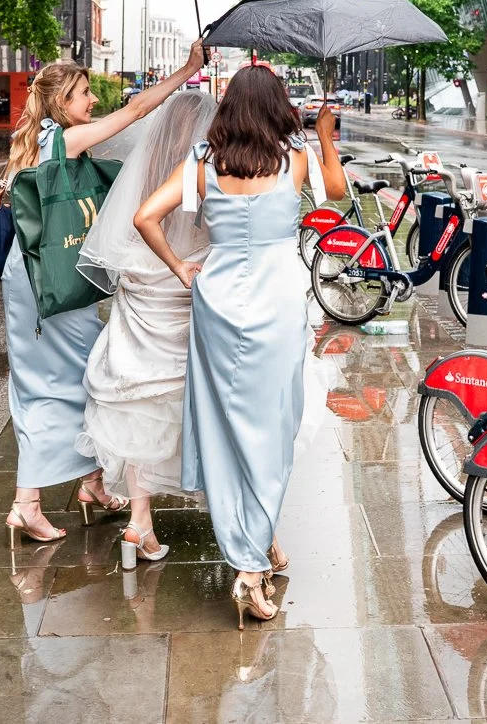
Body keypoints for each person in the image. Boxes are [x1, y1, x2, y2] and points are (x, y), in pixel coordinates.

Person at [134, 66, 345, 628]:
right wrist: (324, 134)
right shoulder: (294, 156)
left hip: (217, 300)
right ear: (280, 106)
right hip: (277, 301)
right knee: (273, 427)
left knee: (227, 426)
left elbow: (144, 216)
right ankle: (250, 570)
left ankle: (260, 535)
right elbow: (339, 193)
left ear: (228, 108)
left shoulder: (203, 161)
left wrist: (182, 267)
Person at [0, 40, 208, 547]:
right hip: (51, 279)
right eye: (85, 93)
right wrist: (188, 70)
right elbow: (138, 110)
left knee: (44, 381)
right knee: (75, 379)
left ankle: (91, 483)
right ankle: (27, 503)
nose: (93, 101)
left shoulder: (37, 139)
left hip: (26, 274)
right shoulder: (64, 141)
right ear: (61, 102)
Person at [74, 91, 217, 567]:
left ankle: (140, 522)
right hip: (184, 283)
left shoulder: (147, 164)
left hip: (141, 282)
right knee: (182, 398)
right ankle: (214, 498)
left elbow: (132, 225)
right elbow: (212, 227)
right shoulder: (203, 165)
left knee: (134, 395)